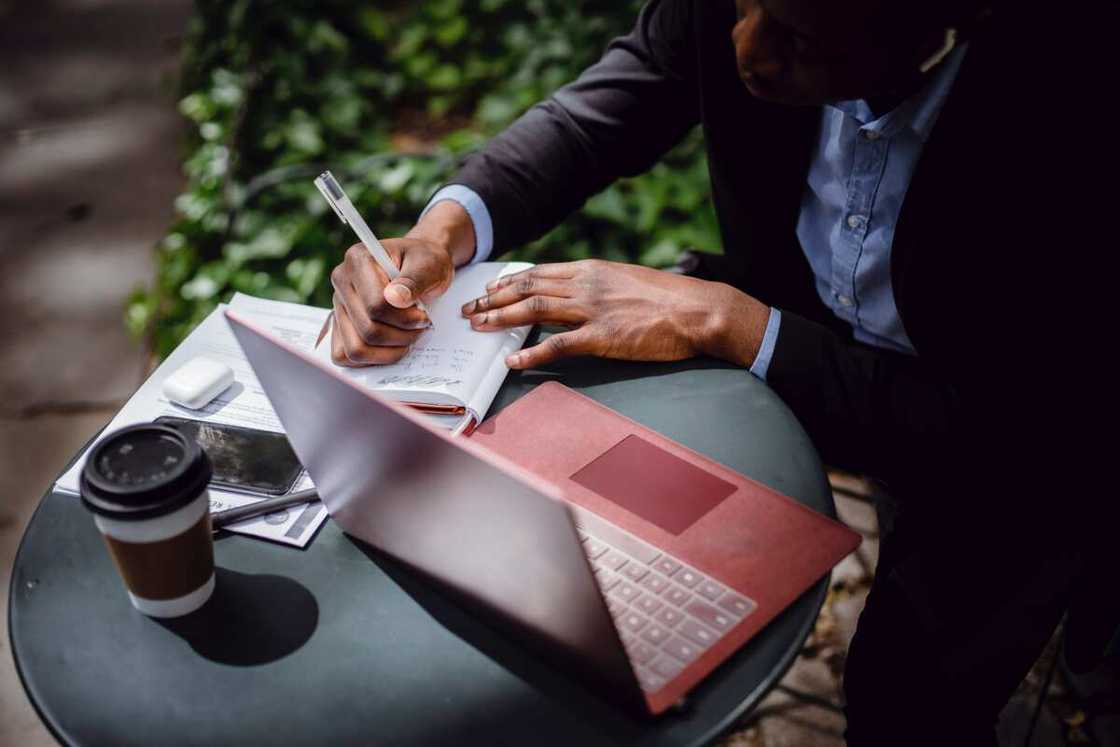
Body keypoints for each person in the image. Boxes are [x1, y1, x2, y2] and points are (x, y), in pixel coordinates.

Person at [328, 1, 1114, 743]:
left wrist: (732, 323)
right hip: (809, 326)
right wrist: (447, 228)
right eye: (742, 6)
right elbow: (619, 99)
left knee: (905, 697)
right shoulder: (752, 21)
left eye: (799, 38)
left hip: (1014, 441)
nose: (746, 53)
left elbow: (1019, 435)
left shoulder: (1070, 98)